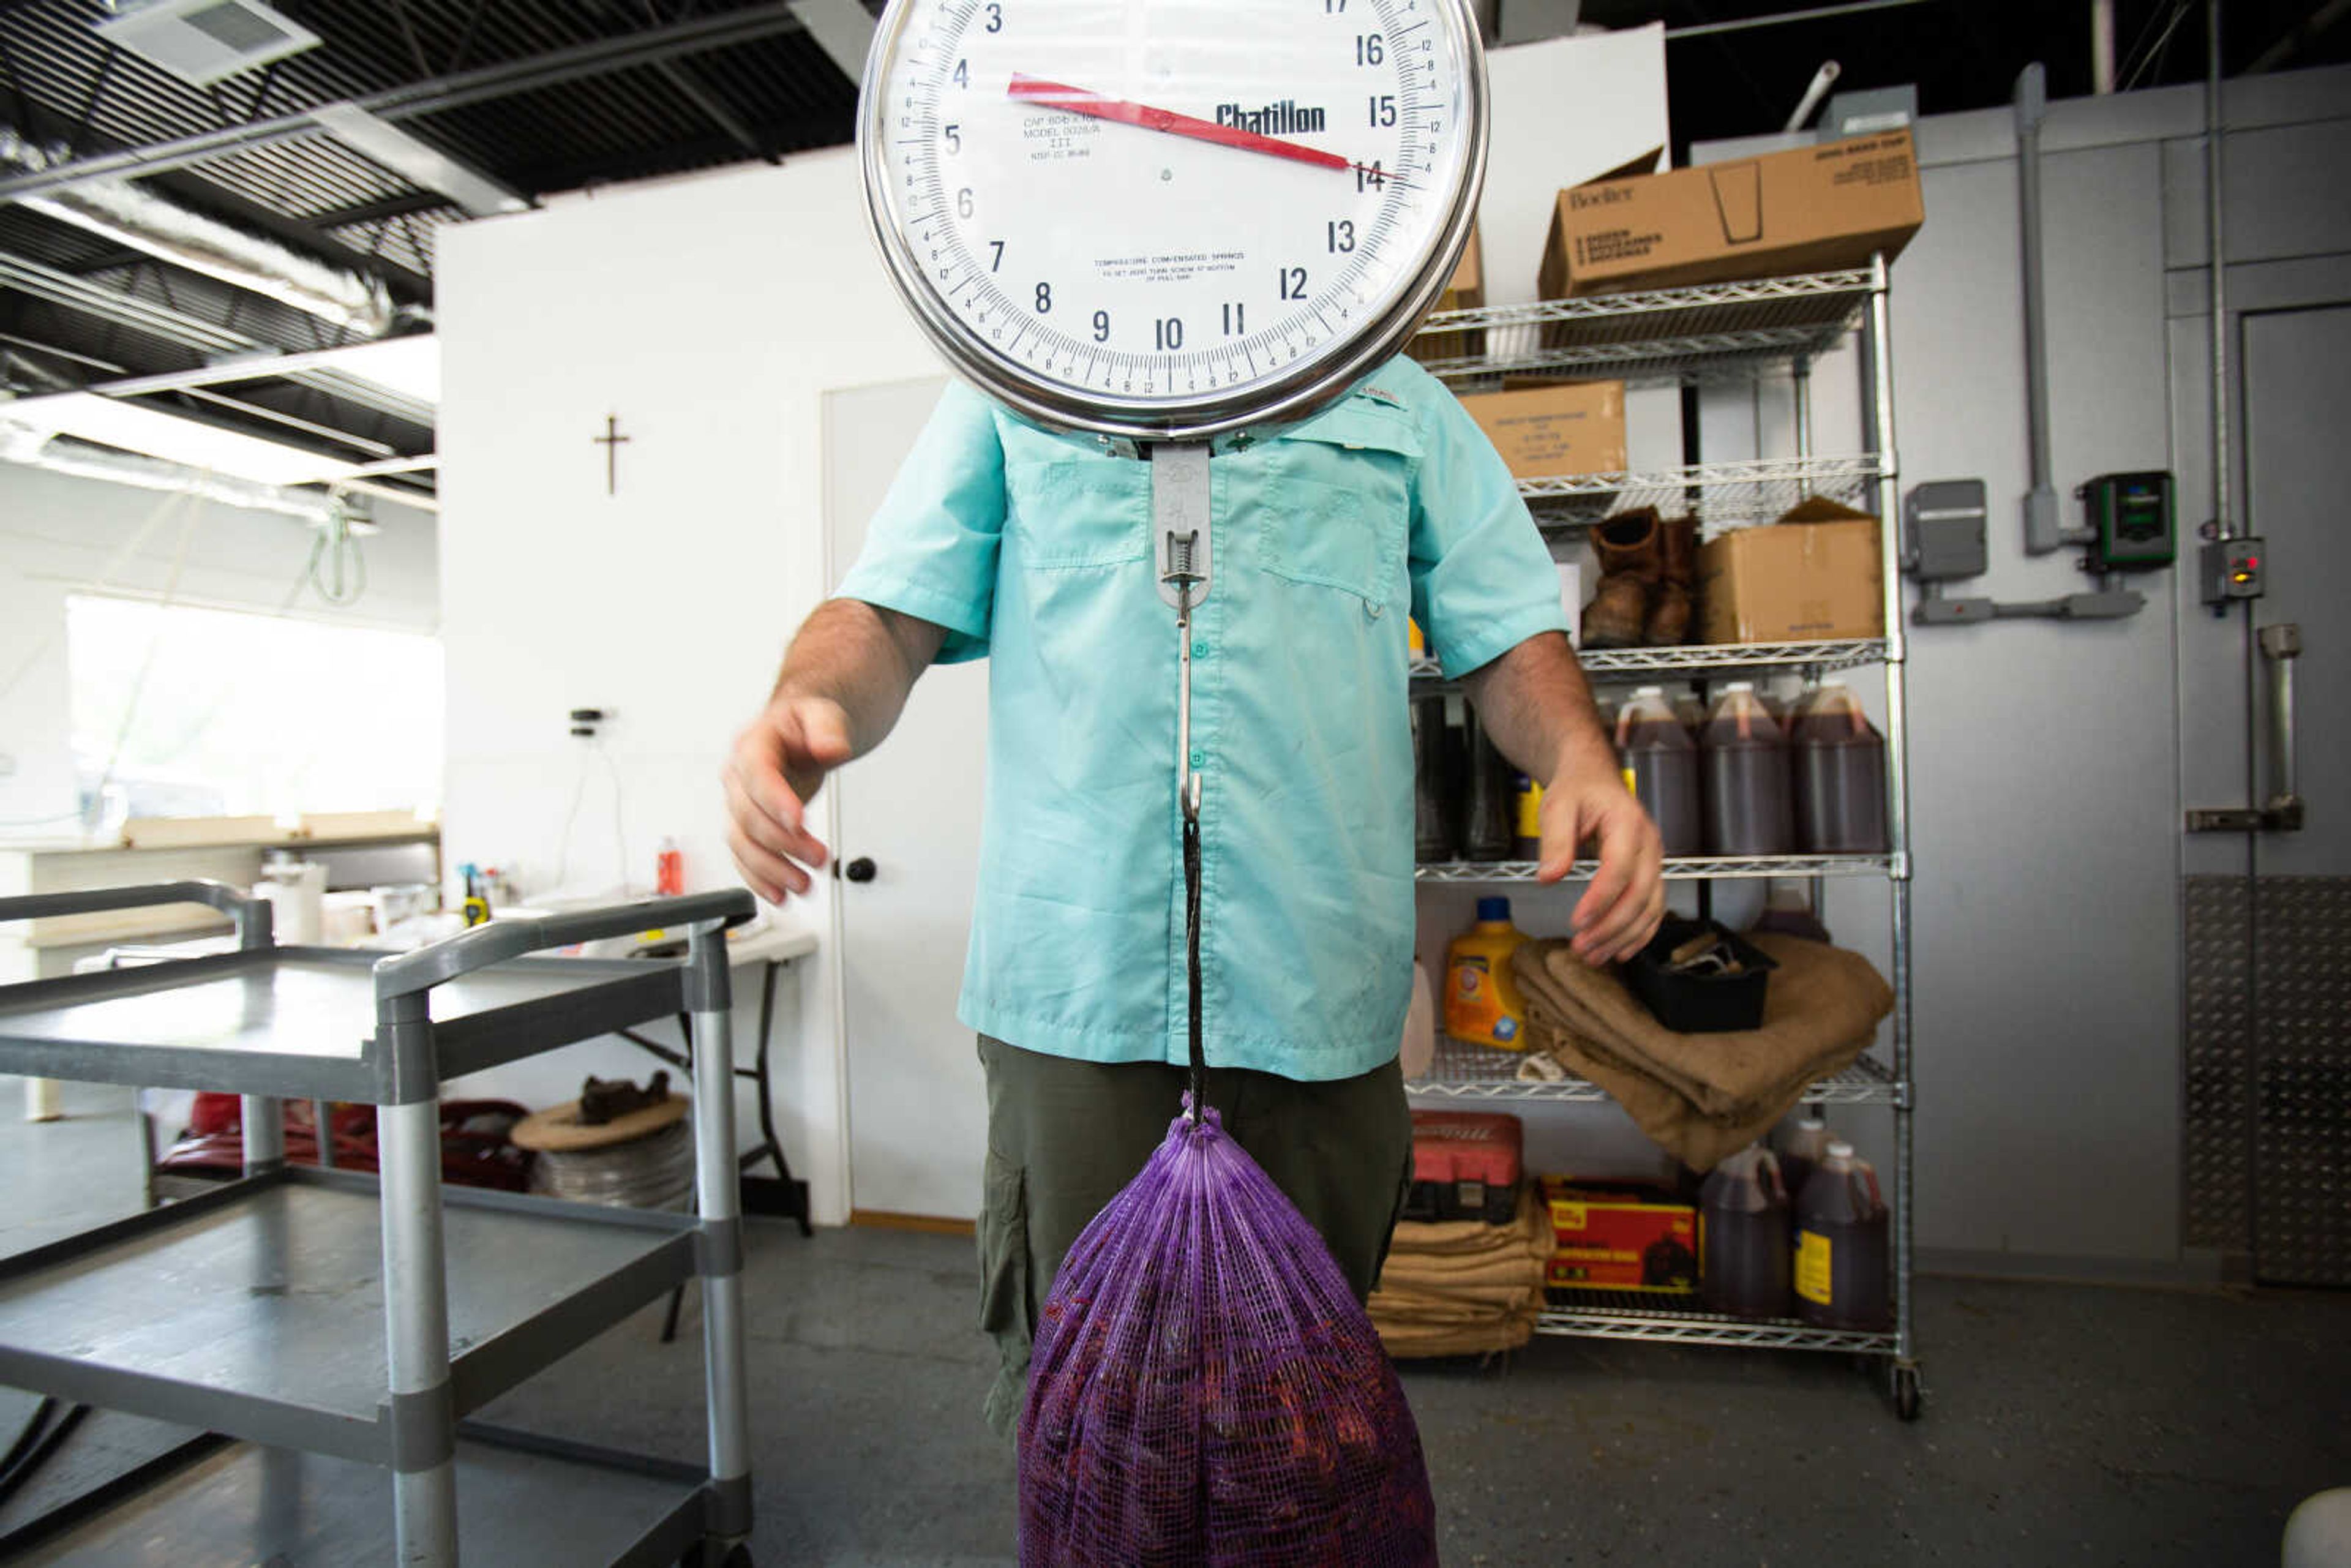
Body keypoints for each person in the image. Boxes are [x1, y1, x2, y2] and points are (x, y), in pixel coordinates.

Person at [723, 356, 1665, 1431]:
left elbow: (1506, 631)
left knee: (1302, 1413)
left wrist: (1582, 760)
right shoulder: (1014, 384)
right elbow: (888, 610)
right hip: (1078, 995)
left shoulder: (1395, 396)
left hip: (1316, 991)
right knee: (1089, 1412)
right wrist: (803, 699)